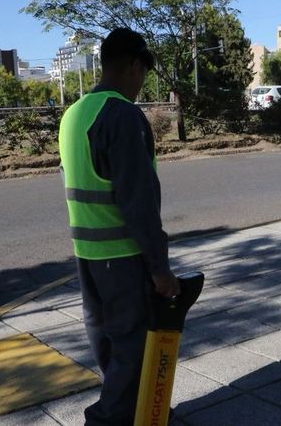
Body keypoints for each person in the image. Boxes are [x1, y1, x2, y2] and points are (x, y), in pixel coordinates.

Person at [58, 28, 180, 426]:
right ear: (132, 65)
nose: (142, 81)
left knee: (107, 340)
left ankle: (133, 409)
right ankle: (108, 418)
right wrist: (160, 269)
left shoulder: (75, 112)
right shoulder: (123, 116)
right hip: (123, 255)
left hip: (88, 253)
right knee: (133, 345)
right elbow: (138, 201)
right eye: (143, 71)